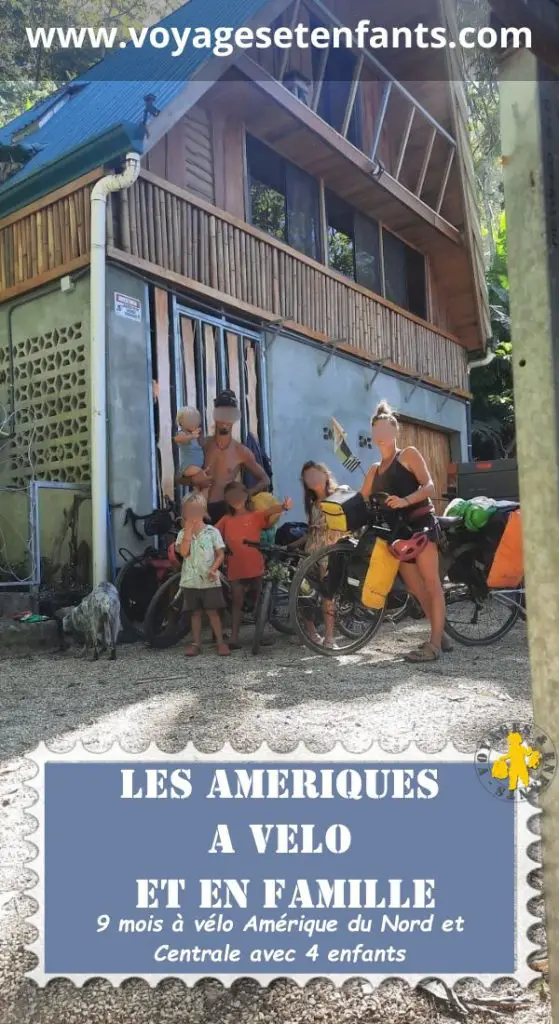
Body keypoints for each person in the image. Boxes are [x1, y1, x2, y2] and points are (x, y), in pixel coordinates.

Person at [360, 400, 451, 663]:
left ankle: (434, 645)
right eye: (376, 431)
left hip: (420, 523)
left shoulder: (408, 454)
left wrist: (404, 501)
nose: (381, 436)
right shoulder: (374, 470)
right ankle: (440, 631)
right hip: (396, 532)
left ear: (394, 431)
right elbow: (360, 498)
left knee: (432, 584)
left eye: (385, 430)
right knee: (415, 588)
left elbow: (429, 486)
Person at [216, 482, 293, 650]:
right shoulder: (226, 520)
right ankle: (234, 637)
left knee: (258, 602)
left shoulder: (255, 515)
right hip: (235, 566)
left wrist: (283, 507)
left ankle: (260, 633)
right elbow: (213, 533)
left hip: (255, 566)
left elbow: (269, 512)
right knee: (237, 602)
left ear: (246, 496)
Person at [299, 461, 351, 647]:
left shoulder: (339, 496)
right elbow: (310, 530)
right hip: (310, 554)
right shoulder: (312, 503)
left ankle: (330, 637)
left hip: (331, 552)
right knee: (303, 592)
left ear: (325, 474)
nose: (312, 479)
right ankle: (311, 633)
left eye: (315, 474)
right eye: (307, 477)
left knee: (329, 595)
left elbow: (348, 523)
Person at [203, 390, 270, 524]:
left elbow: (265, 480)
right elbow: (183, 477)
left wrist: (245, 495)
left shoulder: (241, 451)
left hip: (225, 510)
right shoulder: (204, 444)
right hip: (201, 508)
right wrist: (192, 479)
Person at [175, 493, 230, 657]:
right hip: (190, 581)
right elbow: (184, 552)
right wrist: (188, 532)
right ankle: (196, 643)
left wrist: (214, 568)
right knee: (195, 613)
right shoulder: (182, 534)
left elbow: (220, 553)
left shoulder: (212, 532)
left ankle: (220, 642)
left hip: (209, 580)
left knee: (213, 612)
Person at [173, 407, 213, 493]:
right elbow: (177, 439)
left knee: (200, 483)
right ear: (181, 423)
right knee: (203, 477)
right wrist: (191, 436)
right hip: (189, 466)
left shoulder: (194, 435)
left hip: (196, 466)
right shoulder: (183, 434)